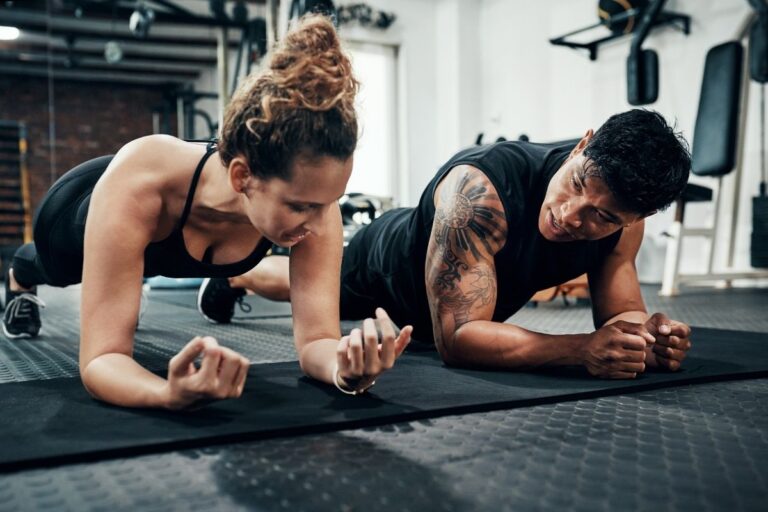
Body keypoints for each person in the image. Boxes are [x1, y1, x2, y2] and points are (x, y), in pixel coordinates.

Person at [2, 15, 412, 409]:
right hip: (76, 214)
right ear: (242, 176)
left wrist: (345, 369)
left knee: (127, 286)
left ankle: (126, 284)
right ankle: (20, 277)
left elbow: (316, 342)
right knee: (54, 269)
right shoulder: (141, 183)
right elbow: (100, 360)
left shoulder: (313, 208)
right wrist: (165, 393)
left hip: (162, 226)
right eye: (300, 206)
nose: (320, 221)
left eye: (329, 202)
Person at [199, 109, 693, 379]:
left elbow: (620, 312)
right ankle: (239, 274)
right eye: (577, 184)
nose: (570, 215)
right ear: (583, 145)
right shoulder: (477, 192)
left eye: (602, 217)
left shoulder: (626, 221)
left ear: (638, 218)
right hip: (388, 265)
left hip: (457, 295)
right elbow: (457, 341)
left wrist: (646, 337)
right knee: (308, 287)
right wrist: (580, 349)